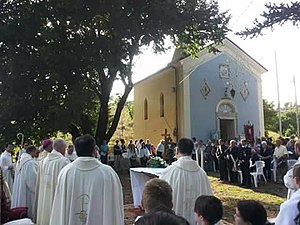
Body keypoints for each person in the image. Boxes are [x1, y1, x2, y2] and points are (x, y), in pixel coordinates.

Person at [49, 134, 124, 225]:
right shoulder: (108, 173)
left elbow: (59, 208)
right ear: (94, 150)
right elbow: (115, 206)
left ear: (76, 151)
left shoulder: (65, 172)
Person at [160, 138, 212, 225]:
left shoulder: (168, 172)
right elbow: (208, 197)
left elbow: (160, 199)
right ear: (192, 151)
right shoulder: (202, 173)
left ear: (177, 150)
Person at [35, 138, 70, 225]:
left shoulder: (43, 161)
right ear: (62, 147)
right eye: (65, 148)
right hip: (58, 198)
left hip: (44, 198)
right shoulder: (64, 162)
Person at [11, 146, 38, 219]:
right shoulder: (30, 163)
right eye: (36, 151)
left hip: (21, 189)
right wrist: (38, 189)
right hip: (27, 192)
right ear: (31, 151)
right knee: (28, 209)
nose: (36, 153)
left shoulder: (20, 161)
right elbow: (32, 181)